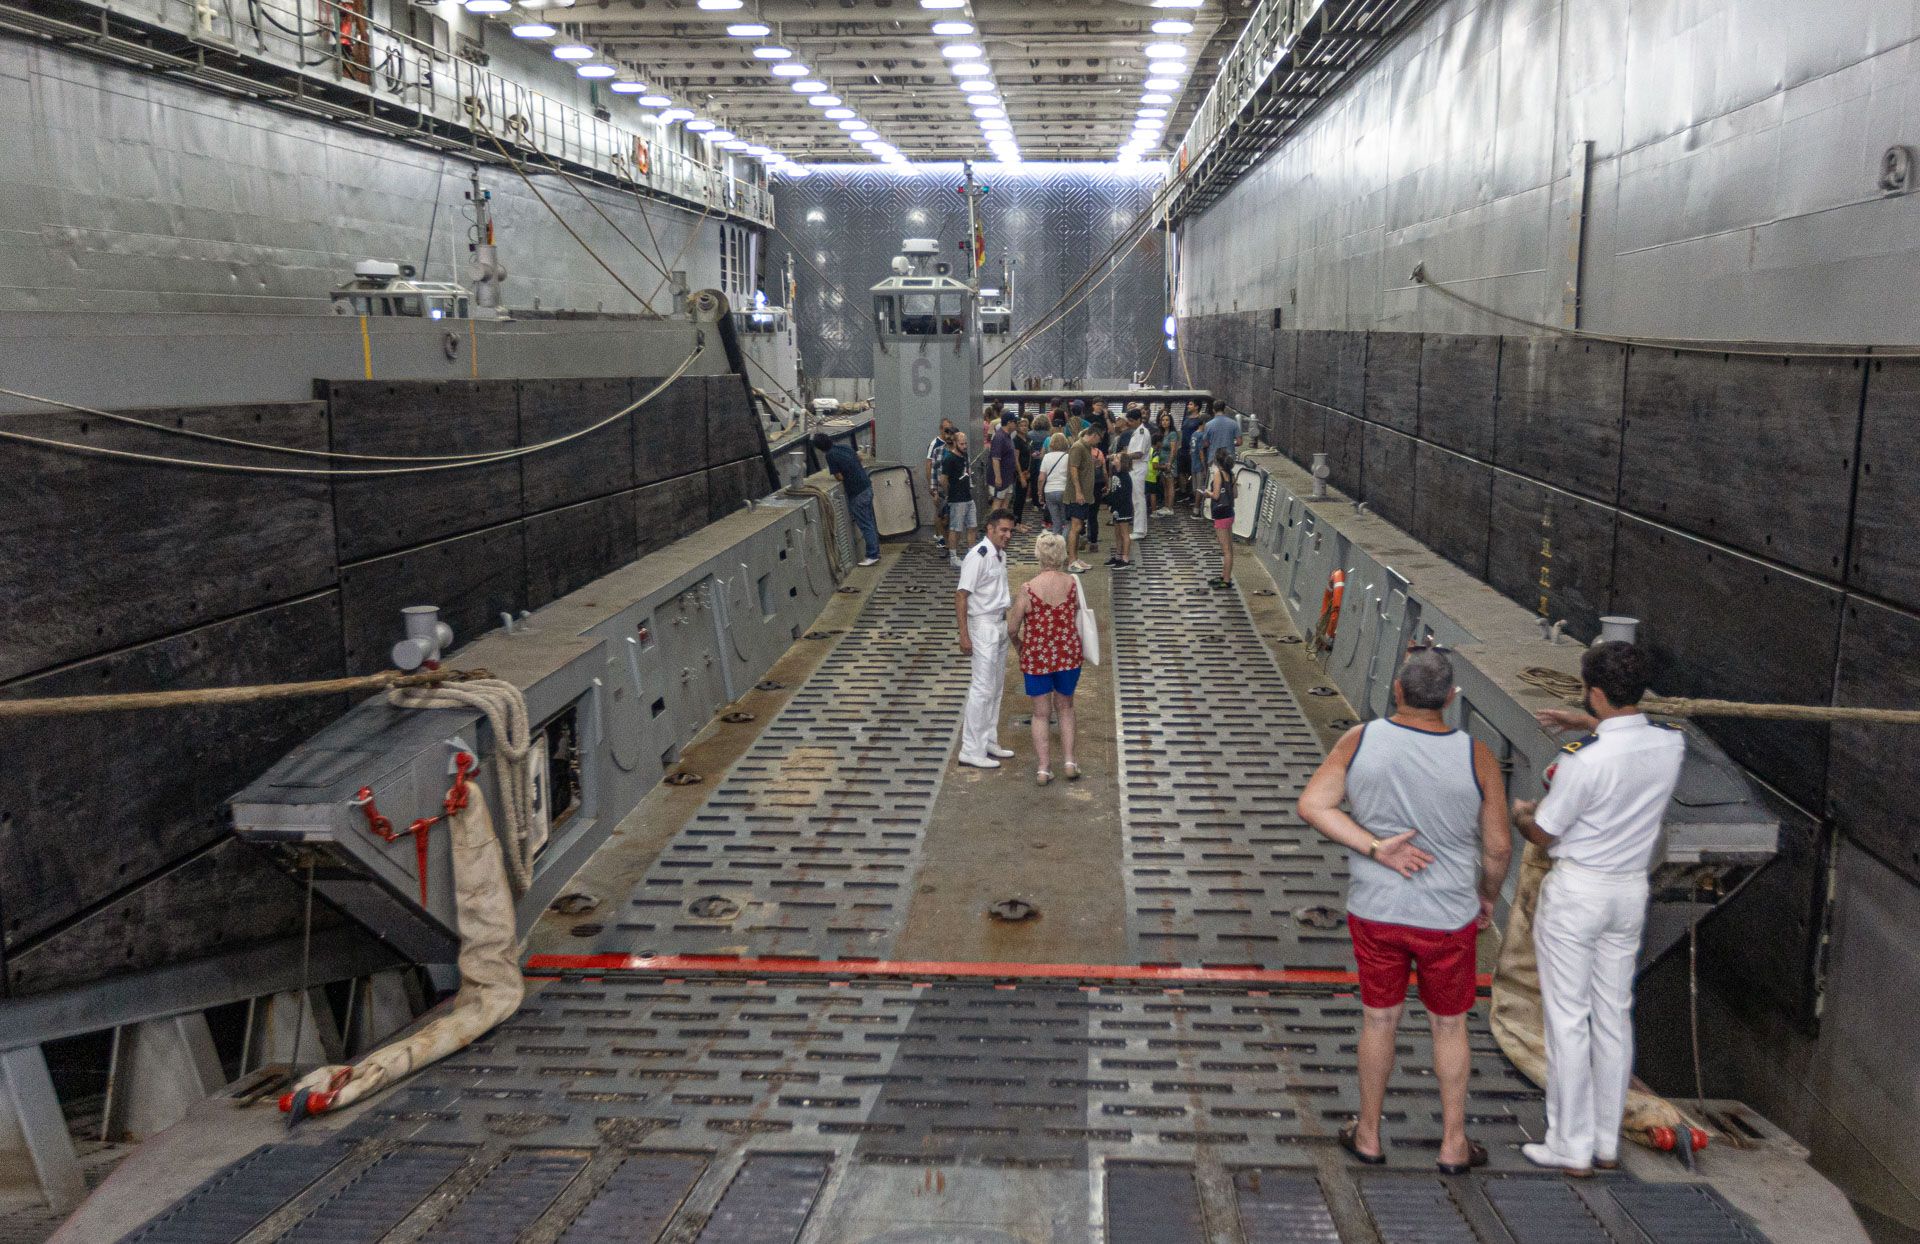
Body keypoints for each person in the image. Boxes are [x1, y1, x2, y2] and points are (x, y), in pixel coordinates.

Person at [1297, 645, 1512, 1175]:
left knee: (1380, 1019)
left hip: (1377, 910)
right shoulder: (1476, 755)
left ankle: (1368, 1134)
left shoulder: (1359, 739)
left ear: (1397, 690)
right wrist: (1486, 894)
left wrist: (1375, 847)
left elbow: (1313, 805)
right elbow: (1499, 847)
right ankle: (1453, 1144)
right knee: (1449, 1026)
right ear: (1451, 698)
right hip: (1447, 916)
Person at [1511, 642, 1686, 1178]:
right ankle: (1607, 1143)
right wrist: (1588, 718)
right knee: (1613, 1015)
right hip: (1629, 892)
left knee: (1567, 1020)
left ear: (1595, 691)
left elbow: (1544, 830)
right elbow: (1629, 727)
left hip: (1577, 894)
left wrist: (1520, 812)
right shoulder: (1670, 745)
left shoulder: (1583, 766)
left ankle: (1569, 1144)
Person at [1008, 530, 1083, 784]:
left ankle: (1043, 768)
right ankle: (1070, 761)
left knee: (1041, 714)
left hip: (1037, 658)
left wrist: (1019, 645)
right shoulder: (1072, 583)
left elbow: (1011, 627)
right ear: (1062, 556)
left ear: (1038, 556)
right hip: (1067, 655)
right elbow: (1078, 614)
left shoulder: (1028, 589)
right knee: (1066, 707)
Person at [955, 509, 1019, 770]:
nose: (1008, 535)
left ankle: (988, 739)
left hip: (998, 623)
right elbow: (961, 595)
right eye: (1003, 530)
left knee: (995, 687)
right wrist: (964, 635)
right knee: (981, 689)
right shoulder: (978, 556)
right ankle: (970, 749)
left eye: (1010, 531)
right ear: (990, 529)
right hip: (982, 625)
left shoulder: (999, 555)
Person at [814, 433, 880, 566]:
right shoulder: (844, 447)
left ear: (819, 448)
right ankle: (876, 551)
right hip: (866, 486)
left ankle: (872, 555)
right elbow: (860, 458)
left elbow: (839, 477)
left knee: (865, 524)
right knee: (870, 522)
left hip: (856, 493)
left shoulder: (830, 455)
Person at [1065, 425, 1098, 574]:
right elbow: (1073, 469)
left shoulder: (1085, 448)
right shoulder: (1078, 447)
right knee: (1076, 527)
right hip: (1076, 496)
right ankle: (1071, 561)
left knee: (1079, 527)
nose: (1098, 442)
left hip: (1084, 496)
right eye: (1099, 438)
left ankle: (1075, 558)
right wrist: (1078, 492)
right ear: (1094, 435)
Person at [943, 431, 976, 568]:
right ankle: (953, 556)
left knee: (972, 526)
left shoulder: (964, 456)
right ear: (955, 443)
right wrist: (948, 493)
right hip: (957, 498)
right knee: (955, 528)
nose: (964, 446)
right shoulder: (949, 459)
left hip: (967, 496)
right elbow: (943, 479)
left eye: (965, 443)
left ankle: (971, 555)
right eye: (961, 444)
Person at [1205, 448, 1236, 589]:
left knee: (1226, 550)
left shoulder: (1218, 474)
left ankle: (1227, 580)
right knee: (1229, 547)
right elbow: (1235, 494)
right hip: (1229, 512)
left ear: (1217, 461)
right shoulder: (1231, 474)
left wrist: (1207, 493)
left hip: (1220, 514)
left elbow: (1216, 496)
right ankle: (1225, 576)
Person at [1123, 407, 1152, 543]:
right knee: (1136, 498)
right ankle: (1140, 528)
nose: (1130, 423)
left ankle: (1139, 530)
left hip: (1138, 467)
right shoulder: (1138, 431)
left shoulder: (1141, 432)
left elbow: (1139, 453)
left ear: (1138, 420)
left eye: (1132, 421)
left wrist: (1123, 456)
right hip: (1135, 467)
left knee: (1138, 499)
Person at [927, 419, 956, 550]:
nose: (948, 433)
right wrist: (932, 488)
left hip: (952, 488)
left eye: (950, 430)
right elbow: (930, 465)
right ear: (941, 429)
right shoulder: (936, 445)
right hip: (939, 486)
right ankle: (941, 537)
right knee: (940, 513)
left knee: (949, 515)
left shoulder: (954, 445)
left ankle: (948, 540)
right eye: (946, 430)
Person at [1103, 450, 1135, 569]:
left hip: (1123, 508)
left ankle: (1125, 558)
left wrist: (1114, 503)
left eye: (1116, 458)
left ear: (1122, 462)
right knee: (1117, 533)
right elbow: (1114, 491)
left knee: (1124, 533)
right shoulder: (1116, 474)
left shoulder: (1125, 477)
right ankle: (1118, 556)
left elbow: (1124, 494)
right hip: (1116, 508)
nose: (1113, 459)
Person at [1038, 432, 1072, 536]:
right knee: (1067, 522)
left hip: (1049, 491)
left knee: (1056, 522)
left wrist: (1040, 493)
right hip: (1064, 491)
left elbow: (1041, 478)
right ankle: (1063, 545)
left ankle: (1056, 546)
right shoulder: (1068, 457)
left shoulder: (1047, 457)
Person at [988, 412, 1017, 509]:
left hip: (1008, 477)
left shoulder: (1008, 436)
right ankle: (993, 523)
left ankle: (1002, 522)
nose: (1016, 424)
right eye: (1015, 422)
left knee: (1005, 502)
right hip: (1002, 477)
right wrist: (998, 477)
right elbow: (995, 458)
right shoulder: (999, 437)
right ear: (1009, 423)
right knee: (998, 501)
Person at [1010, 415, 1033, 526]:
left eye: (1026, 426)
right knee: (1018, 498)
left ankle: (1019, 521)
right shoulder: (1016, 441)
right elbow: (1016, 459)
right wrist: (1021, 475)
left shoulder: (1027, 439)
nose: (1024, 428)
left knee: (1023, 498)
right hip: (1020, 473)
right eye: (1022, 426)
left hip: (1027, 471)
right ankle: (1016, 523)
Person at [1155, 411, 1179, 516]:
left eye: (1167, 420)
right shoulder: (1161, 434)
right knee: (1164, 485)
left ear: (1170, 422)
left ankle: (1170, 507)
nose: (1165, 422)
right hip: (1161, 462)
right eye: (1163, 420)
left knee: (1170, 485)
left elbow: (1173, 450)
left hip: (1169, 462)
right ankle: (1166, 505)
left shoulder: (1172, 434)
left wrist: (1170, 463)